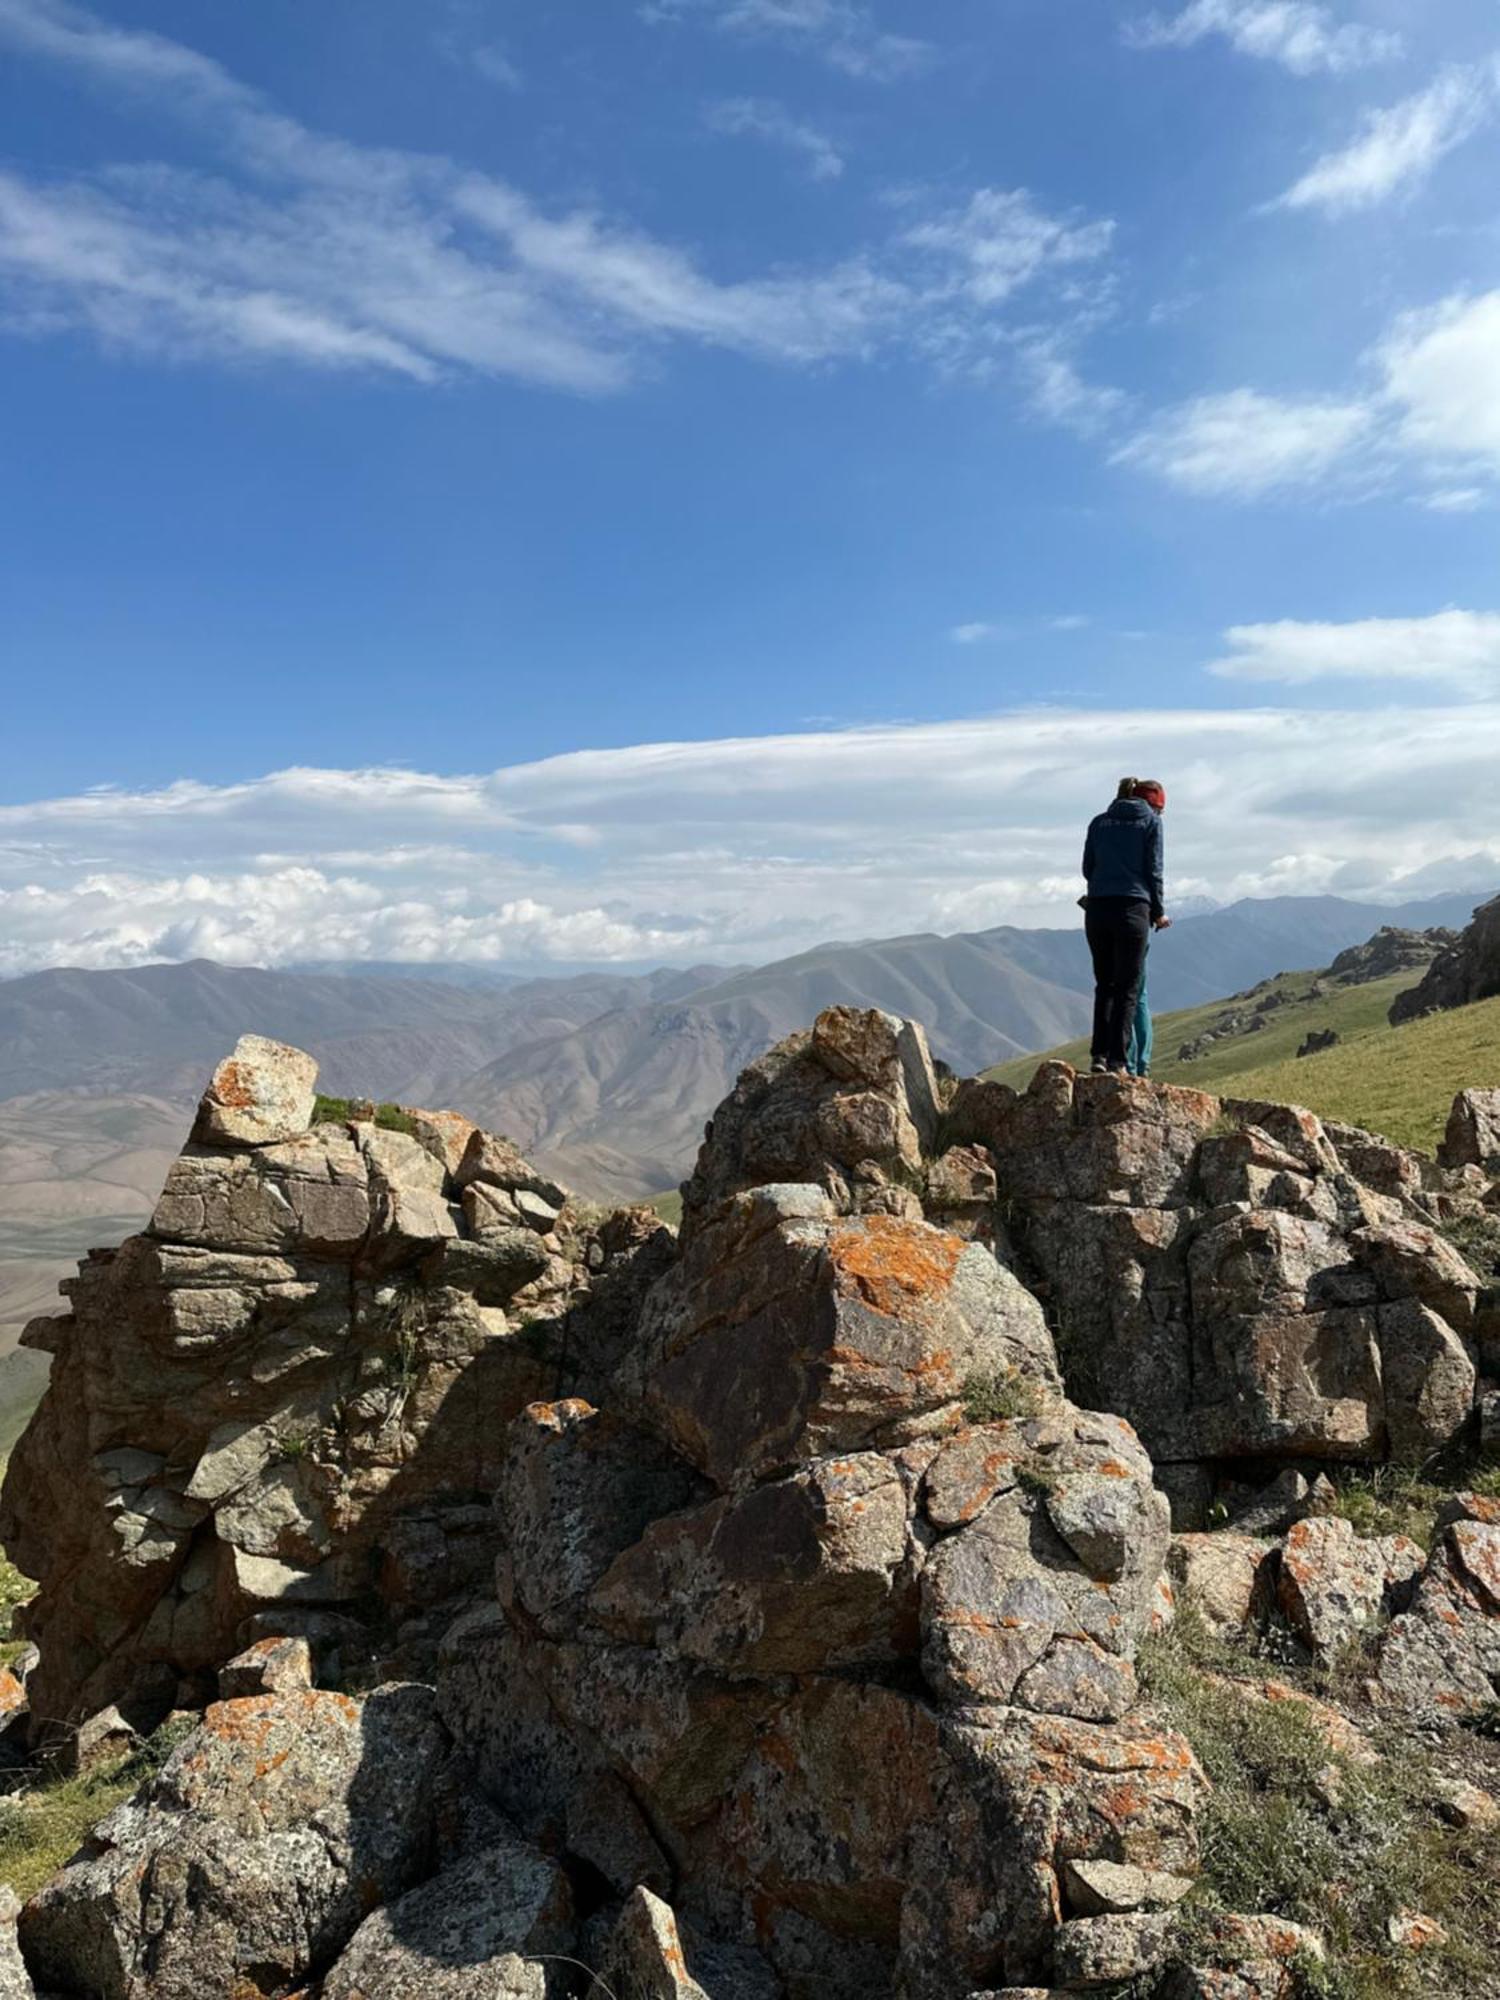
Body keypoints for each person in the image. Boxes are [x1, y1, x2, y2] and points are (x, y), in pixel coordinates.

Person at [1081, 776, 1170, 1075]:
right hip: (1133, 908)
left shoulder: (1098, 822)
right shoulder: (1151, 824)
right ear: (1153, 804)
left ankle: (1099, 1057)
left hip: (1097, 908)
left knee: (1104, 985)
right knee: (1128, 989)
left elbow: (1087, 868)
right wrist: (1158, 911)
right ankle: (1121, 1062)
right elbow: (1154, 870)